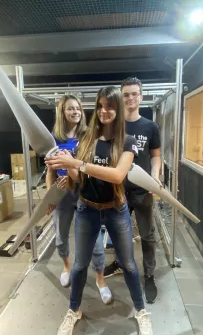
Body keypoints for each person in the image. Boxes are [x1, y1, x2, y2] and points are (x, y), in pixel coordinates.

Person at [46, 87, 153, 335]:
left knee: (128, 264)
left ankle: (141, 311)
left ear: (118, 109)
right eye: (100, 106)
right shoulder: (86, 139)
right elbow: (79, 179)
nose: (104, 111)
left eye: (110, 106)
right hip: (87, 209)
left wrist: (77, 163)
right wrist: (64, 162)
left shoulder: (126, 142)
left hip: (116, 210)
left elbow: (117, 176)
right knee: (80, 265)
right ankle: (74, 310)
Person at [45, 94, 111, 305]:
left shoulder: (87, 137)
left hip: (83, 191)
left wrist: (73, 179)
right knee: (61, 235)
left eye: (78, 109)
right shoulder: (53, 140)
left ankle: (100, 280)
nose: (75, 112)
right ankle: (66, 266)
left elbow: (87, 168)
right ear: (62, 113)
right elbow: (50, 172)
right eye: (70, 109)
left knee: (94, 241)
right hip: (62, 194)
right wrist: (50, 196)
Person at [103, 77, 161, 304]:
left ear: (141, 96)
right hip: (118, 191)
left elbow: (156, 156)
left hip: (143, 191)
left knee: (147, 236)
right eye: (126, 94)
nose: (130, 98)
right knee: (119, 233)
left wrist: (155, 177)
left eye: (134, 94)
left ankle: (149, 276)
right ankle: (119, 262)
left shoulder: (150, 126)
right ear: (121, 97)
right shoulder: (114, 126)